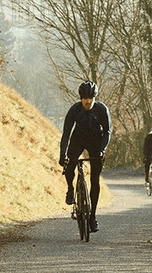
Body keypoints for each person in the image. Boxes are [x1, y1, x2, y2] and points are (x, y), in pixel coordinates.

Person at [59, 80, 112, 232]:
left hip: (96, 141)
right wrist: (63, 154)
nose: (88, 101)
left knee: (95, 179)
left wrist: (102, 150)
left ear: (95, 97)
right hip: (78, 139)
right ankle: (70, 188)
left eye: (91, 98)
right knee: (69, 166)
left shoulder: (102, 109)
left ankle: (93, 216)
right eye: (85, 99)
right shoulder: (74, 110)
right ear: (80, 98)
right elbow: (66, 134)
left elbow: (108, 132)